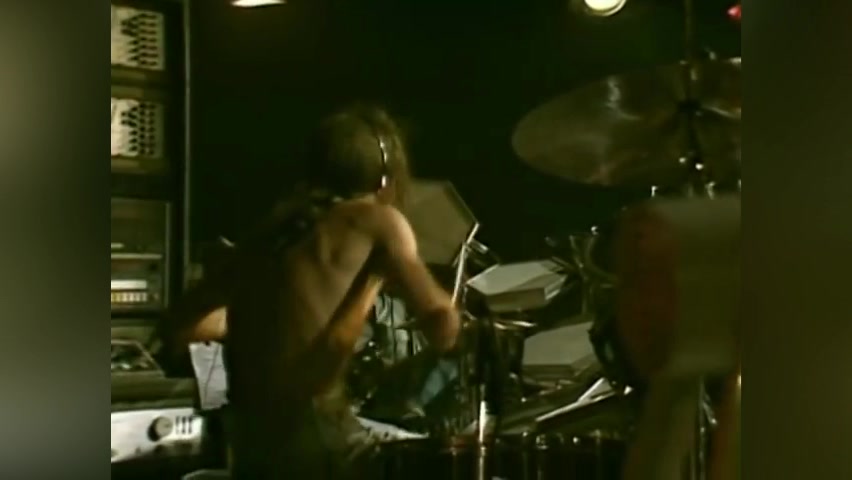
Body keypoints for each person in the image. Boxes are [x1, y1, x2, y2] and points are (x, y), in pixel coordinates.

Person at [164, 104, 461, 479]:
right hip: (316, 434)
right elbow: (442, 324)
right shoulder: (378, 219)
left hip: (249, 440)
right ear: (384, 177)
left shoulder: (273, 230)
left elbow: (182, 325)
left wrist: (263, 322)